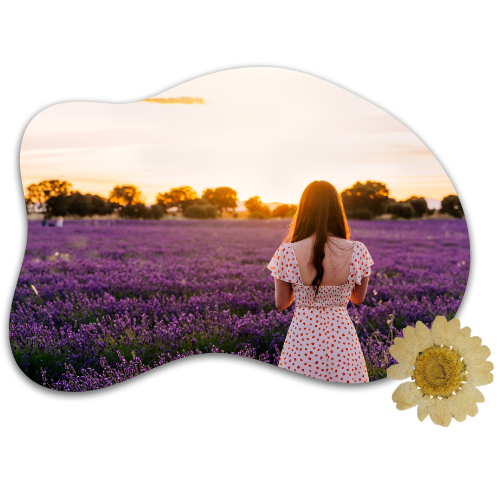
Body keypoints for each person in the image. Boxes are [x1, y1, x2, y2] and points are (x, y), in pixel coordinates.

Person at [267, 180, 374, 383]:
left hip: (303, 335)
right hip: (341, 335)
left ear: (304, 210)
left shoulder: (287, 252)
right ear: (337, 209)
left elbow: (282, 304)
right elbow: (358, 299)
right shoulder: (357, 250)